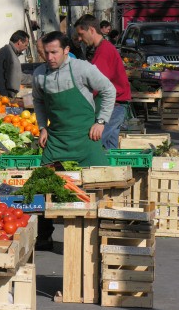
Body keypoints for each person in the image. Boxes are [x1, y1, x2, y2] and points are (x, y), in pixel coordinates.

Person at [32, 31, 116, 250]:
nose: (49, 57)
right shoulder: (39, 75)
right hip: (57, 139)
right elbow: (38, 102)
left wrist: (101, 121)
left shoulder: (82, 69)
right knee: (42, 184)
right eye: (46, 52)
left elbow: (109, 89)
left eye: (54, 52)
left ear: (66, 50)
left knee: (99, 182)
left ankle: (101, 235)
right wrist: (43, 127)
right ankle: (44, 235)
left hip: (86, 137)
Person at [74, 14, 132, 149]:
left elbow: (94, 84)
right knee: (110, 149)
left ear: (92, 30)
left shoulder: (104, 51)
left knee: (92, 146)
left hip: (112, 107)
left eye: (81, 34)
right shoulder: (103, 48)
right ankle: (116, 169)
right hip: (116, 106)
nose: (80, 39)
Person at [0, 30, 30, 98]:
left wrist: (33, 78)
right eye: (25, 45)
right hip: (3, 95)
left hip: (8, 95)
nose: (26, 48)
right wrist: (3, 96)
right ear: (19, 42)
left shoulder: (11, 53)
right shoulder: (6, 52)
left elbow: (16, 75)